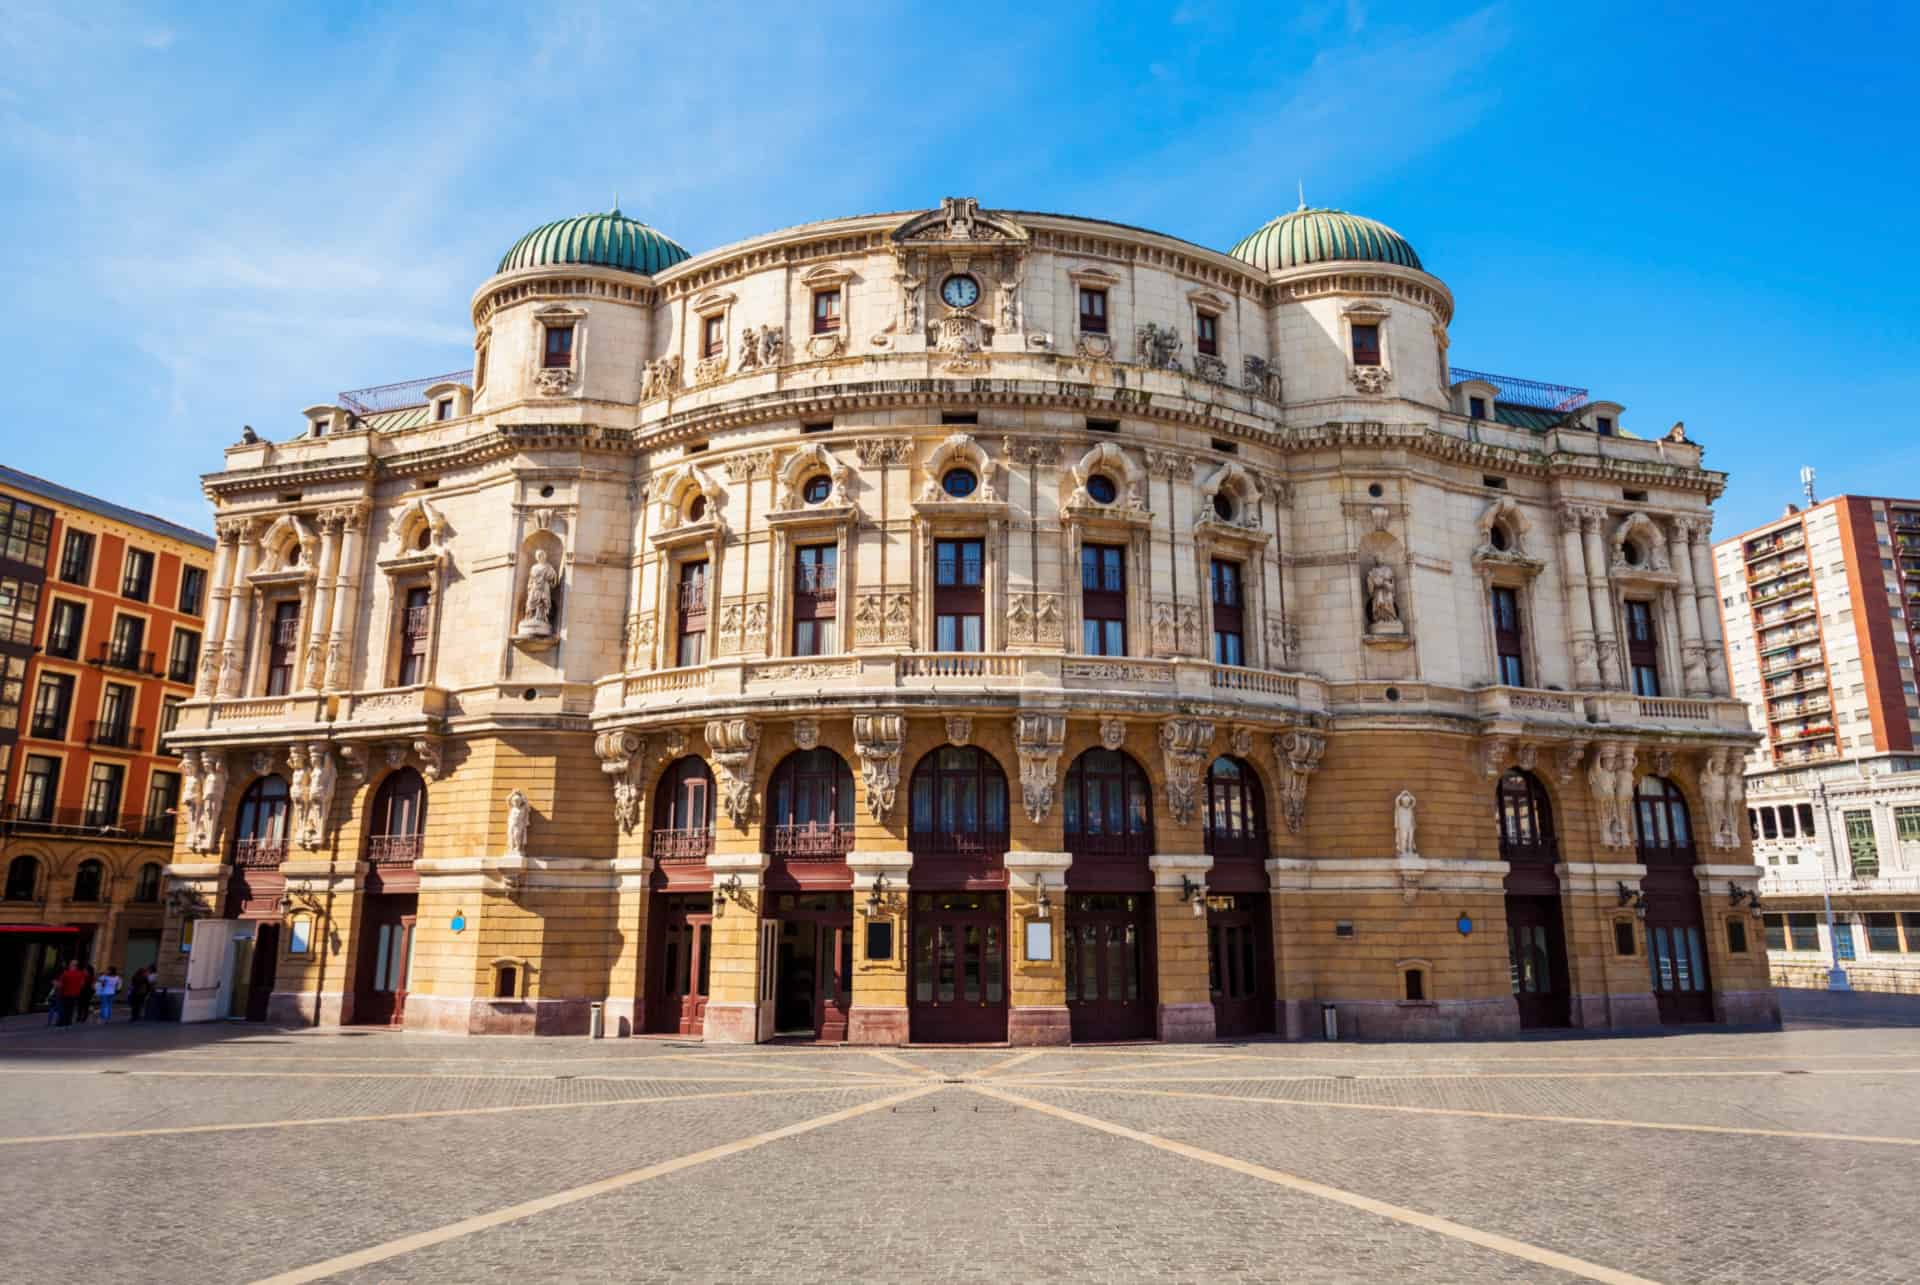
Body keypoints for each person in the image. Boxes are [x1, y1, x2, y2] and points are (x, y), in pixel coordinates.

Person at [55, 960, 87, 1028]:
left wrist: (55, 983)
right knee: (70, 1009)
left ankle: (61, 1022)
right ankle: (68, 1023)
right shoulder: (81, 974)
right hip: (75, 994)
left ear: (71, 965)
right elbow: (82, 985)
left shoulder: (66, 973)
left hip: (64, 993)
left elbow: (60, 985)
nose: (69, 965)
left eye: (70, 964)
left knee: (62, 1008)